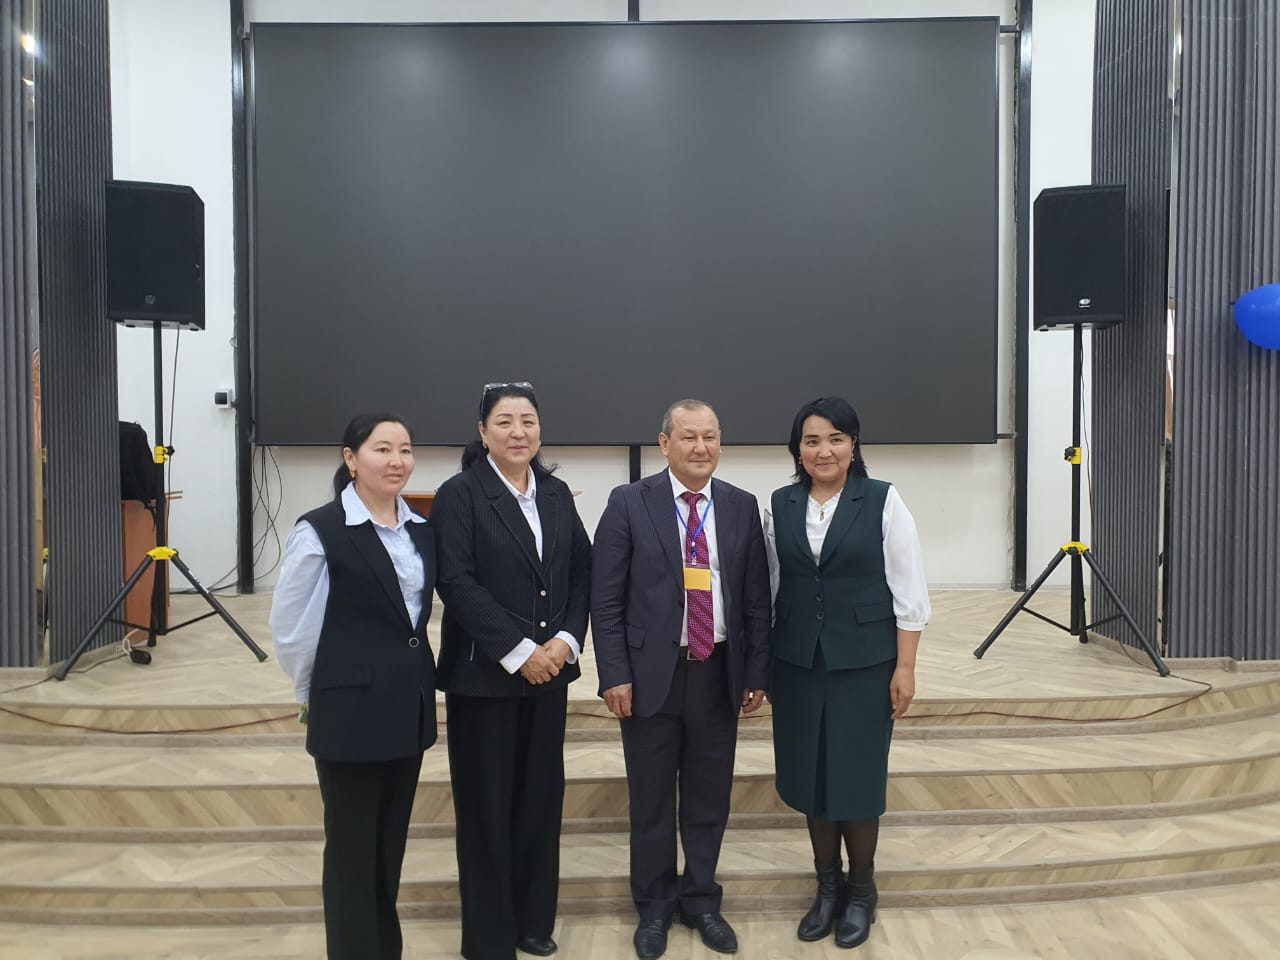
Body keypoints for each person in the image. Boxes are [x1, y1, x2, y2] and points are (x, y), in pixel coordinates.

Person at [592, 399, 771, 960]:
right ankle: (654, 908)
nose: (701, 447)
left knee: (708, 798)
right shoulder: (628, 502)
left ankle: (701, 901)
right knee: (650, 800)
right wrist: (614, 673)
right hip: (651, 675)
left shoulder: (742, 505)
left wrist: (756, 671)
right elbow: (605, 598)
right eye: (689, 437)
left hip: (718, 670)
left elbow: (755, 601)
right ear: (664, 444)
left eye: (710, 436)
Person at [430, 382, 592, 960]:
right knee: (486, 809)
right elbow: (456, 580)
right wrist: (521, 651)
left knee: (540, 802)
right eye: (504, 422)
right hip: (485, 680)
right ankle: (489, 936)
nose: (518, 432)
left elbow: (582, 572)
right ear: (483, 432)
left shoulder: (556, 494)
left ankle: (533, 922)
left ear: (540, 430)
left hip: (551, 676)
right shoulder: (460, 494)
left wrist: (565, 642)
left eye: (527, 421)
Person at [269, 413, 437, 960]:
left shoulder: (420, 529)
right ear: (351, 458)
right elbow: (293, 629)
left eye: (405, 450)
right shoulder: (320, 530)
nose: (396, 461)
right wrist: (313, 695)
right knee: (350, 853)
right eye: (382, 449)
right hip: (349, 714)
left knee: (388, 848)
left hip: (406, 710)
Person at [764, 397, 930, 949]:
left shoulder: (882, 499)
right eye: (812, 441)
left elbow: (909, 589)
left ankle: (861, 889)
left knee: (855, 778)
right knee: (812, 775)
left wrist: (906, 667)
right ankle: (827, 886)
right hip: (797, 664)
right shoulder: (781, 503)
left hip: (865, 663)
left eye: (836, 439)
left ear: (854, 444)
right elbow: (770, 588)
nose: (824, 450)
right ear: (798, 450)